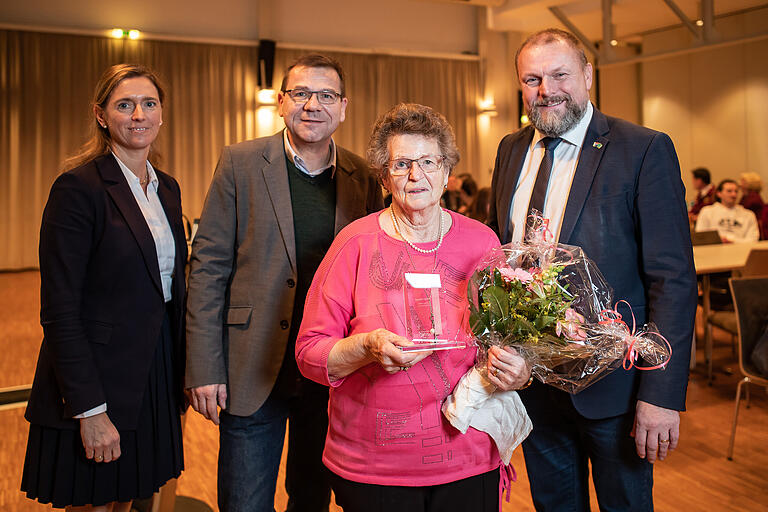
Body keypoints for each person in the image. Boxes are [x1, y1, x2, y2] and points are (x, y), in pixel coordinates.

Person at [488, 29, 697, 511]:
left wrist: (661, 394)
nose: (546, 90)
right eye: (532, 79)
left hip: (615, 389)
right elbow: (499, 253)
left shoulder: (642, 149)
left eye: (559, 74)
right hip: (533, 383)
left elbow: (674, 280)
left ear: (586, 75)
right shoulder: (510, 149)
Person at [295, 103, 532, 512]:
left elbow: (510, 341)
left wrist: (520, 370)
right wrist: (366, 347)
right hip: (375, 465)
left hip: (469, 454)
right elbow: (309, 354)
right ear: (385, 177)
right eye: (401, 163)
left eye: (428, 161)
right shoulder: (354, 244)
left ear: (447, 171)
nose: (416, 175)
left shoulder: (483, 243)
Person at [184, 54, 383, 512]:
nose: (313, 104)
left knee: (311, 498)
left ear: (344, 107)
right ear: (281, 102)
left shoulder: (363, 178)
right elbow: (208, 267)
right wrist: (204, 367)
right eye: (301, 93)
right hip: (250, 365)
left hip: (329, 369)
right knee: (243, 501)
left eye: (326, 95)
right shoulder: (240, 162)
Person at [21, 64, 187, 511]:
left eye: (149, 103)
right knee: (95, 500)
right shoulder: (78, 188)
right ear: (101, 115)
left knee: (137, 497)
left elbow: (173, 287)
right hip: (99, 376)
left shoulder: (166, 188)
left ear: (161, 114)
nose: (138, 114)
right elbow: (60, 310)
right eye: (124, 104)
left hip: (156, 369)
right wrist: (89, 409)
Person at [696, 179, 759, 243]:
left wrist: (732, 241)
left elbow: (753, 240)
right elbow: (701, 237)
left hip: (740, 249)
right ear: (719, 193)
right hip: (714, 250)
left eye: (736, 191)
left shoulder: (748, 215)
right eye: (729, 191)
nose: (733, 195)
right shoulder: (707, 212)